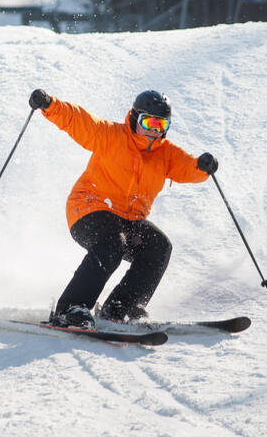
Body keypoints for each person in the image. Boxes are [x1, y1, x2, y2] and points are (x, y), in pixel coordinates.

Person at [28, 88, 219, 328]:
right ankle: (71, 309)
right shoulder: (111, 135)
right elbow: (79, 121)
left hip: (129, 219)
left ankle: (121, 307)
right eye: (148, 122)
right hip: (88, 208)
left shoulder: (166, 154)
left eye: (160, 125)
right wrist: (49, 104)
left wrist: (202, 167)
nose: (153, 130)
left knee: (159, 247)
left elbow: (188, 168)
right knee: (111, 244)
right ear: (134, 118)